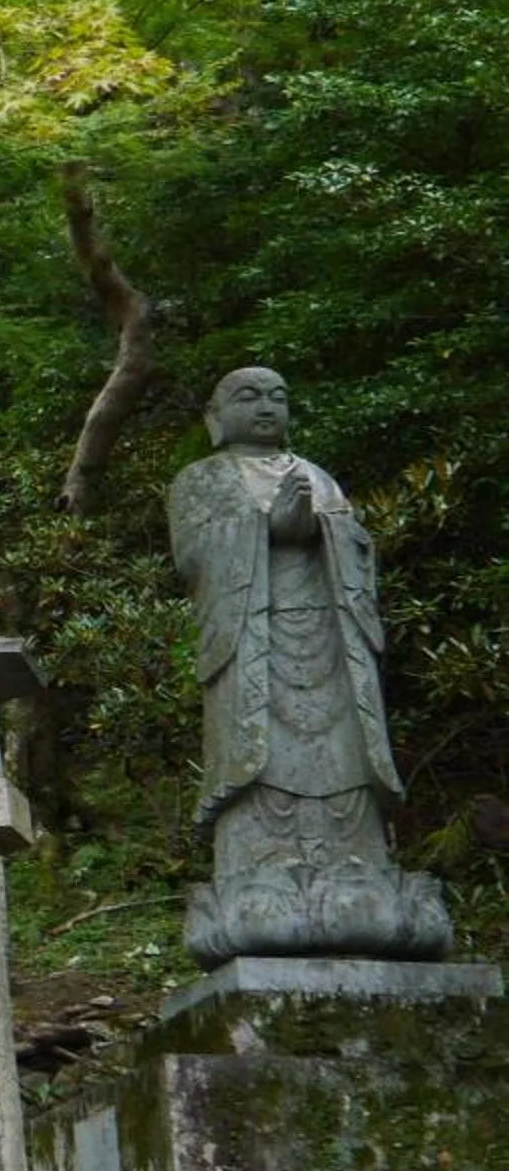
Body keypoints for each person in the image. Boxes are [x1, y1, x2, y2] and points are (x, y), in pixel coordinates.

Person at [167, 367, 446, 963]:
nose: (267, 406)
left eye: (278, 396)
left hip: (332, 635)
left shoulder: (317, 477)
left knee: (347, 753)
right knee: (258, 751)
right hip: (253, 639)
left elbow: (359, 550)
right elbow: (191, 559)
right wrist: (263, 527)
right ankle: (260, 870)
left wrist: (322, 529)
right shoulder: (203, 478)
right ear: (216, 415)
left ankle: (356, 867)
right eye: (248, 396)